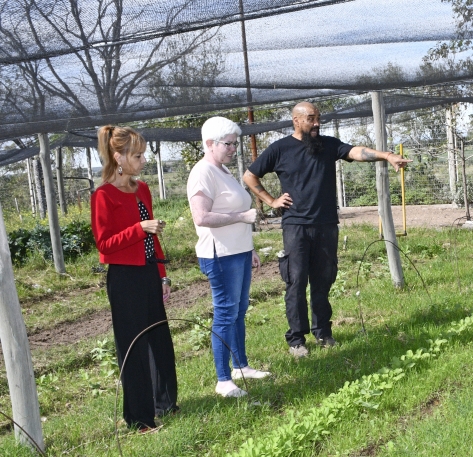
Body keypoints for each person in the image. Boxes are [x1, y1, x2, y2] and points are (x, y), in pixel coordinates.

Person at [243, 101, 411, 358]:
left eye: (318, 118)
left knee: (323, 280)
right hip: (296, 226)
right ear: (296, 120)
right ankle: (296, 340)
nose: (317, 123)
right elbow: (250, 176)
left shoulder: (328, 144)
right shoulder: (280, 149)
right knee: (296, 282)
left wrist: (387, 156)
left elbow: (356, 151)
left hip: (326, 225)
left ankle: (323, 332)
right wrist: (271, 201)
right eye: (311, 118)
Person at [91, 125, 178, 431]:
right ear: (118, 157)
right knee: (134, 348)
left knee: (160, 340)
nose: (143, 161)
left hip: (149, 272)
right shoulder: (103, 195)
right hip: (125, 278)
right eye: (137, 156)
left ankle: (166, 404)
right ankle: (139, 419)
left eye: (143, 155)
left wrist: (162, 276)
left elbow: (153, 239)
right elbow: (104, 245)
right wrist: (138, 229)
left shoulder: (142, 189)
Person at [188, 116, 270, 398]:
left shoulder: (222, 170)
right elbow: (202, 217)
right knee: (225, 314)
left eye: (235, 144)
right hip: (221, 255)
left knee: (238, 311)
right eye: (228, 144)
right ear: (210, 143)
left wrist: (250, 248)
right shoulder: (203, 172)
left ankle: (241, 366)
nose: (234, 149)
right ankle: (223, 380)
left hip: (239, 252)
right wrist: (242, 217)